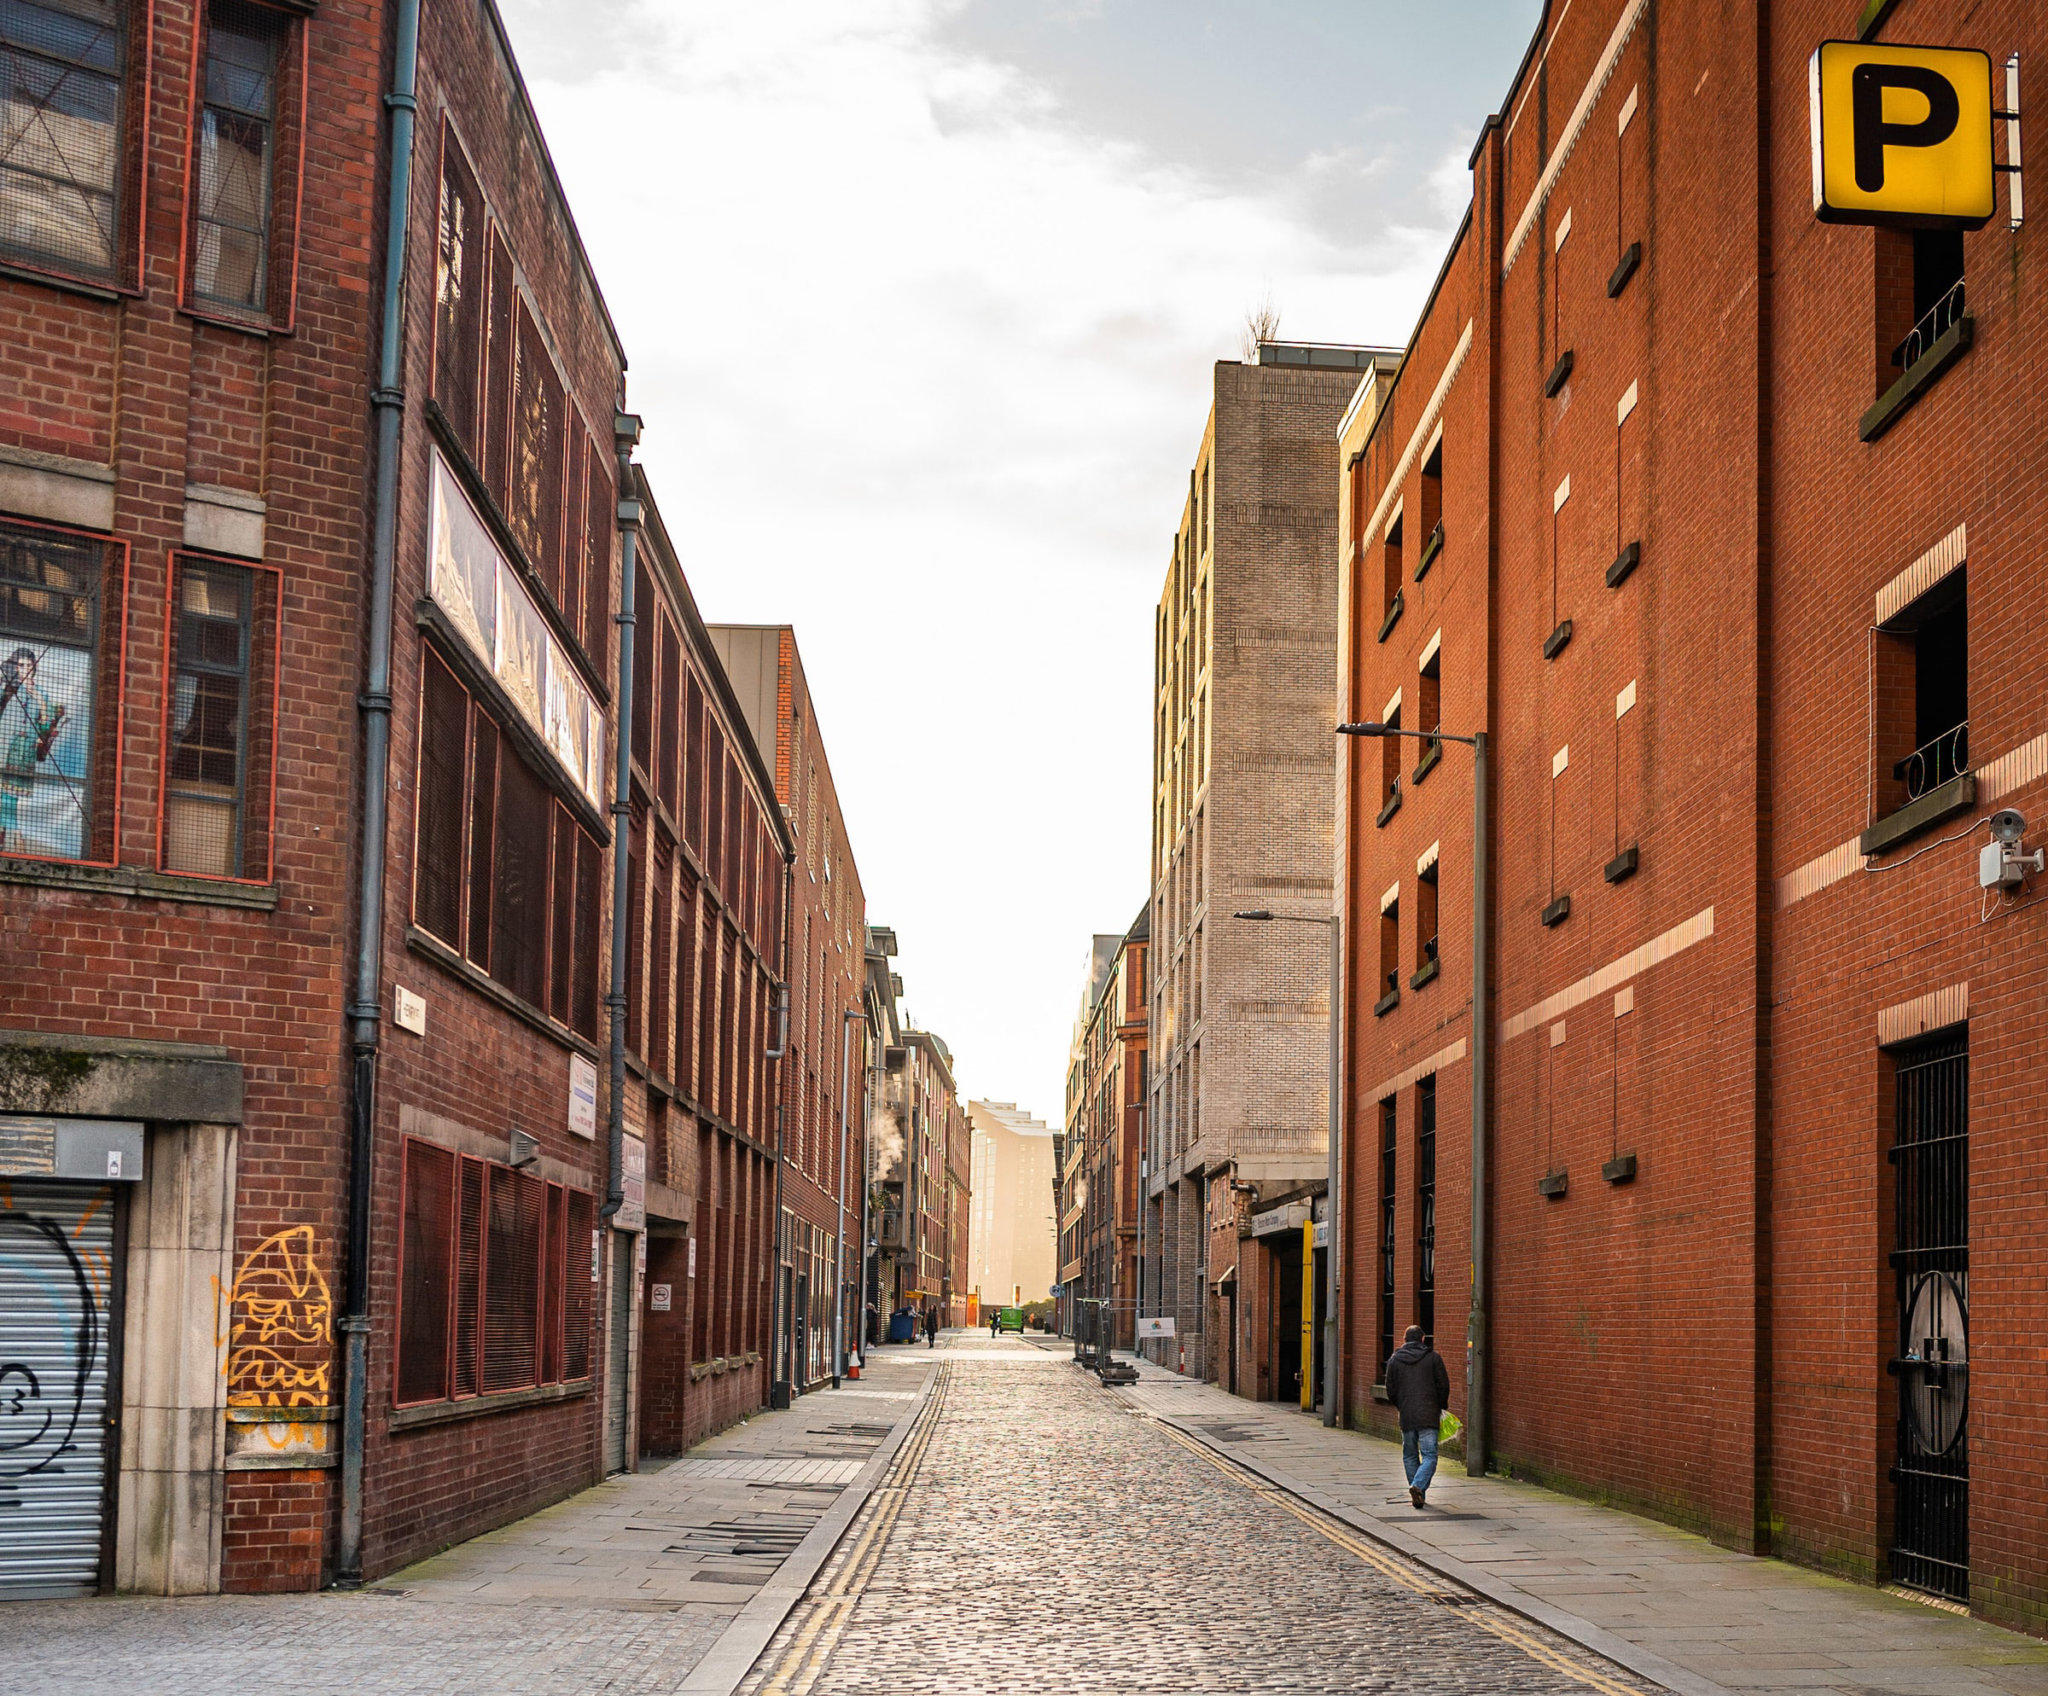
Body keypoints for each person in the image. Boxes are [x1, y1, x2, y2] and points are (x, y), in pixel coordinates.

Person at [1383, 1324, 1451, 1509]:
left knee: (1410, 1455)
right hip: (1429, 1414)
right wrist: (1440, 1406)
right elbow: (1443, 1385)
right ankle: (1418, 1487)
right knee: (1430, 1455)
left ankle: (1418, 1492)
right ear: (1423, 1339)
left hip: (1407, 1415)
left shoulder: (1394, 1360)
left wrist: (1401, 1406)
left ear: (1405, 1340)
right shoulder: (1433, 1358)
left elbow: (1390, 1389)